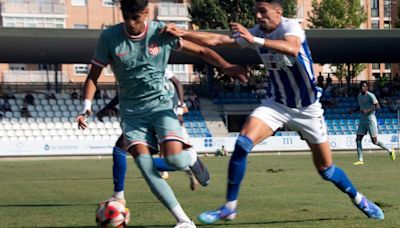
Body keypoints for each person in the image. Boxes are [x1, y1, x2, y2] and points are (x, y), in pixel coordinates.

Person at [164, 0, 385, 222]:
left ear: (278, 12)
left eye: (263, 11)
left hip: (307, 109)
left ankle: (359, 199)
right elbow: (217, 40)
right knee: (242, 144)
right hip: (276, 104)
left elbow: (292, 48)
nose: (259, 16)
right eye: (256, 12)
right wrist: (182, 32)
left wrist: (255, 40)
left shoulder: (290, 27)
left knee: (326, 170)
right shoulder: (256, 32)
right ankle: (229, 207)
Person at [76, 1, 246, 227]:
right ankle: (184, 221)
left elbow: (203, 50)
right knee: (146, 167)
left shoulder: (161, 32)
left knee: (174, 159)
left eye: (135, 17)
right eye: (126, 16)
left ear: (146, 13)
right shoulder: (109, 37)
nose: (130, 22)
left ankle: (191, 159)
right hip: (132, 114)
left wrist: (226, 66)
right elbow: (93, 76)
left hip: (161, 106)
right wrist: (86, 105)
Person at [350, 81, 395, 165]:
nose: (362, 88)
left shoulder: (371, 95)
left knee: (375, 141)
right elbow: (360, 107)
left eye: (364, 86)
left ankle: (389, 150)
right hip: (363, 120)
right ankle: (360, 159)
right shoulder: (359, 96)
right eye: (361, 86)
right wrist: (353, 110)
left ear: (367, 87)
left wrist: (368, 110)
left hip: (371, 120)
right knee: (358, 139)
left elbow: (377, 106)